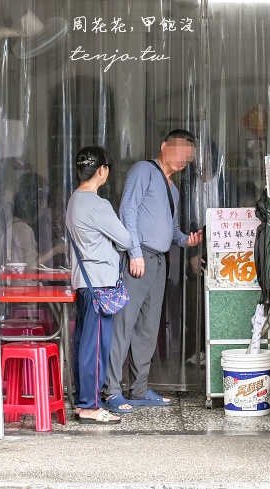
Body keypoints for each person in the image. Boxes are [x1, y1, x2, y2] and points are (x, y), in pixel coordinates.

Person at [104, 130, 203, 412]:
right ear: (163, 146)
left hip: (158, 261)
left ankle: (139, 388)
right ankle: (111, 391)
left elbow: (171, 231)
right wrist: (134, 253)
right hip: (140, 259)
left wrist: (187, 240)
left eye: (188, 156)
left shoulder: (171, 188)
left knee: (148, 328)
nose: (183, 159)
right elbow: (128, 212)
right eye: (179, 151)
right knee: (124, 325)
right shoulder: (143, 170)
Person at [65, 146, 133, 424]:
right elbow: (126, 240)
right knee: (95, 347)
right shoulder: (98, 204)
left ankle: (85, 401)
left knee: (84, 342)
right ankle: (90, 406)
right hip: (100, 285)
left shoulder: (74, 201)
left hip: (84, 283)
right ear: (102, 170)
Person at [8, 172, 65, 267]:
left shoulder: (15, 224)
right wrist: (56, 250)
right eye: (41, 201)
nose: (44, 207)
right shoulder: (23, 230)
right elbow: (29, 267)